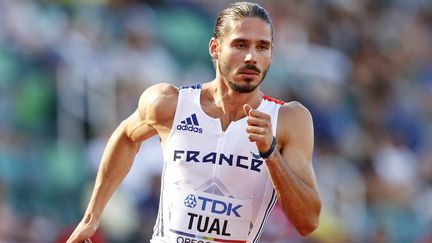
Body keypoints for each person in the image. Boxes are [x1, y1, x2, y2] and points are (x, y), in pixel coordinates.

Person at [67, 2, 321, 243]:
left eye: (262, 47)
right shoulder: (170, 103)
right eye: (240, 45)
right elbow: (125, 137)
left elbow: (307, 222)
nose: (251, 57)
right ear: (215, 48)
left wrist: (271, 153)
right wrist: (92, 216)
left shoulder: (288, 120)